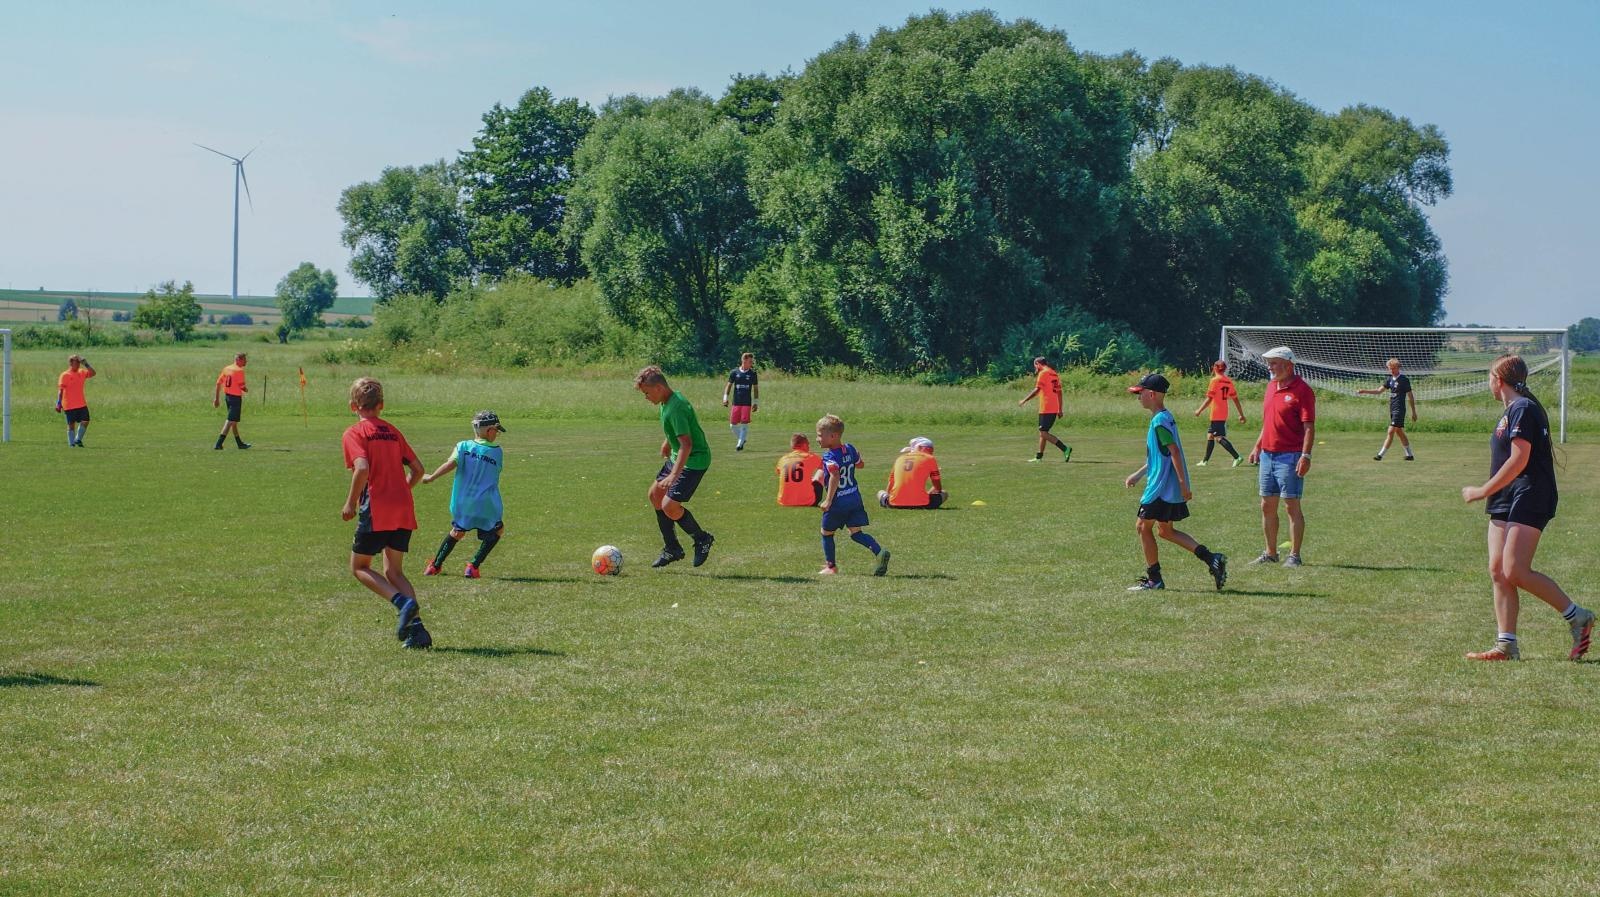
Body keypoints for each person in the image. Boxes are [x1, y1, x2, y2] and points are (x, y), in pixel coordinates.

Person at [1460, 354, 1592, 661]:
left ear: (1499, 380)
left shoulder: (1522, 408)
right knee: (1498, 570)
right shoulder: (1511, 410)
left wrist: (1482, 491)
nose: (1488, 382)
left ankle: (1577, 616)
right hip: (1507, 497)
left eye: (1489, 377)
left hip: (1531, 494)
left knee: (1515, 569)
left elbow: (1518, 460)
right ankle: (1506, 645)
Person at [340, 377, 431, 649]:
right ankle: (418, 633)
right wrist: (402, 490)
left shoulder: (354, 433)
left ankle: (402, 603)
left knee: (360, 567)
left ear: (352, 406)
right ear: (381, 405)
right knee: (395, 572)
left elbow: (362, 468)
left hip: (377, 507)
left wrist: (351, 503)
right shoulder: (393, 431)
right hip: (403, 506)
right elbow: (418, 469)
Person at [1123, 373, 1228, 591]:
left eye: (1140, 393)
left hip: (1161, 488)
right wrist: (1138, 474)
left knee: (1143, 527)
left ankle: (1155, 579)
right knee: (1165, 532)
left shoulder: (1159, 421)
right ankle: (1212, 559)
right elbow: (1159, 456)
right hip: (1165, 485)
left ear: (1151, 394)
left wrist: (1183, 485)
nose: (1138, 397)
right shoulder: (1164, 417)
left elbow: (1174, 452)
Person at [636, 365, 715, 567]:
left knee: (669, 505)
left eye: (646, 393)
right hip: (678, 456)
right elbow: (679, 431)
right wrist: (667, 441)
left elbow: (687, 445)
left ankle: (702, 538)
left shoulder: (676, 407)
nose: (646, 397)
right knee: (655, 496)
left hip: (694, 460)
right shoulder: (667, 401)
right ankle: (672, 548)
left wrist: (673, 476)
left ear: (659, 388)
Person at [1247, 346, 1315, 567]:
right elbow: (1268, 422)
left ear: (1288, 365)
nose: (1270, 367)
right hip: (1267, 455)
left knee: (1291, 505)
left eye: (1274, 363)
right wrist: (1257, 446)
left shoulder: (1302, 390)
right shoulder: (1270, 387)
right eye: (1269, 363)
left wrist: (1305, 455)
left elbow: (1309, 427)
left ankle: (1294, 556)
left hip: (1290, 456)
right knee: (1267, 505)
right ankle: (1270, 553)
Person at [422, 410, 507, 579]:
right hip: (486, 503)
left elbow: (450, 464)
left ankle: (435, 566)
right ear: (489, 430)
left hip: (463, 502)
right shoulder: (497, 452)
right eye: (496, 430)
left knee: (457, 531)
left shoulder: (462, 447)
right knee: (498, 530)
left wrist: (431, 477)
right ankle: (473, 566)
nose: (497, 434)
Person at [815, 414, 890, 575]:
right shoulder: (849, 448)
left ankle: (831, 566)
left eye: (820, 435)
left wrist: (828, 501)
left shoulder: (829, 456)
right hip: (854, 499)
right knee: (856, 533)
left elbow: (835, 476)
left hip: (838, 503)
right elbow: (860, 464)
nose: (817, 439)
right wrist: (855, 457)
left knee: (826, 533)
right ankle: (879, 551)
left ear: (833, 436)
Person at [1357, 358, 1417, 461]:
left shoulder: (1404, 380)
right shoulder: (1389, 380)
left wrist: (1414, 412)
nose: (1391, 370)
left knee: (1390, 431)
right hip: (1392, 409)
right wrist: (1364, 391)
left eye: (1393, 368)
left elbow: (1410, 396)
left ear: (1398, 367)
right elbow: (1379, 391)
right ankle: (1409, 455)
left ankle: (1380, 455)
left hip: (1399, 409)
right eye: (1390, 368)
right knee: (1399, 432)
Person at [1193, 359, 1246, 467]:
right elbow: (1235, 399)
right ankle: (1205, 461)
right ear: (1225, 369)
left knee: (1218, 437)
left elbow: (1209, 399)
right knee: (1210, 436)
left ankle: (1237, 457)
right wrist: (1241, 414)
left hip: (1216, 412)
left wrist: (1199, 410)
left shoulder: (1215, 380)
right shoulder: (1228, 381)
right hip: (1223, 412)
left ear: (1215, 368)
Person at [1019, 356, 1071, 462]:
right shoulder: (1053, 373)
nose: (1035, 368)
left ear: (1038, 363)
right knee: (1043, 432)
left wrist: (1024, 400)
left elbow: (1037, 390)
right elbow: (1059, 392)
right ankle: (1039, 457)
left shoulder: (1043, 373)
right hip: (1053, 407)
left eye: (1035, 366)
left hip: (1046, 407)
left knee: (1043, 433)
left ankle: (1065, 449)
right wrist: (1060, 408)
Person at [878, 436, 947, 509]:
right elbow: (938, 488)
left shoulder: (900, 458)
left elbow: (891, 482)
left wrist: (889, 496)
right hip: (923, 504)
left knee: (880, 492)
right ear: (920, 447)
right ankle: (920, 499)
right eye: (929, 448)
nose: (931, 451)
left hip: (894, 503)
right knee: (944, 493)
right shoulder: (930, 458)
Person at [212, 352, 252, 450]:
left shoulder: (226, 368)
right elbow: (242, 386)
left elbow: (218, 383)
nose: (246, 361)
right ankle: (218, 443)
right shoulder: (239, 371)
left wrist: (216, 398)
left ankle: (240, 444)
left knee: (234, 421)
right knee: (230, 421)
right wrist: (246, 389)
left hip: (228, 397)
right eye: (244, 359)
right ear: (238, 359)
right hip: (235, 398)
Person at [55, 354, 95, 447]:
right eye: (76, 362)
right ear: (70, 363)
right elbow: (60, 390)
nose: (78, 364)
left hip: (81, 403)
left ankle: (77, 439)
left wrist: (86, 364)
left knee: (86, 421)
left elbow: (93, 373)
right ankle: (71, 444)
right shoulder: (65, 375)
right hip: (69, 404)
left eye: (79, 362)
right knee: (71, 425)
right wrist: (58, 403)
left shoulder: (81, 372)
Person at [722, 352, 759, 451]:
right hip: (736, 402)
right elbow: (729, 386)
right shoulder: (734, 372)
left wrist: (756, 402)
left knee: (744, 423)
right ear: (744, 360)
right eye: (750, 361)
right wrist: (725, 398)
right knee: (732, 425)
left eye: (752, 361)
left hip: (747, 403)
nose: (751, 363)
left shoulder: (753, 374)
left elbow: (755, 389)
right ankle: (742, 439)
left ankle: (739, 444)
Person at [776, 433, 825, 507]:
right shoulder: (810, 457)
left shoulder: (783, 459)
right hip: (808, 501)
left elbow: (780, 473)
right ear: (804, 445)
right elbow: (825, 466)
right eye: (808, 444)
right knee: (823, 470)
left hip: (784, 501)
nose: (809, 447)